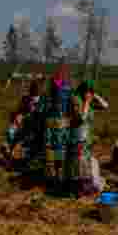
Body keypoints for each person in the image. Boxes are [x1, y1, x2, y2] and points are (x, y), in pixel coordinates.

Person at [70, 79, 109, 197]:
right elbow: (82, 118)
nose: (89, 94)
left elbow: (105, 106)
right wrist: (86, 102)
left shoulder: (90, 101)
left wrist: (95, 95)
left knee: (86, 163)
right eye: (87, 91)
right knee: (79, 163)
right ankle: (77, 189)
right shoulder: (76, 100)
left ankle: (84, 186)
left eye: (91, 91)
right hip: (78, 136)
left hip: (87, 137)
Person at [42, 65, 73, 194]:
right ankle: (54, 180)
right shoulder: (56, 87)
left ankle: (58, 180)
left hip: (61, 123)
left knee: (59, 153)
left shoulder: (66, 88)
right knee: (53, 153)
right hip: (55, 122)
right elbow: (46, 104)